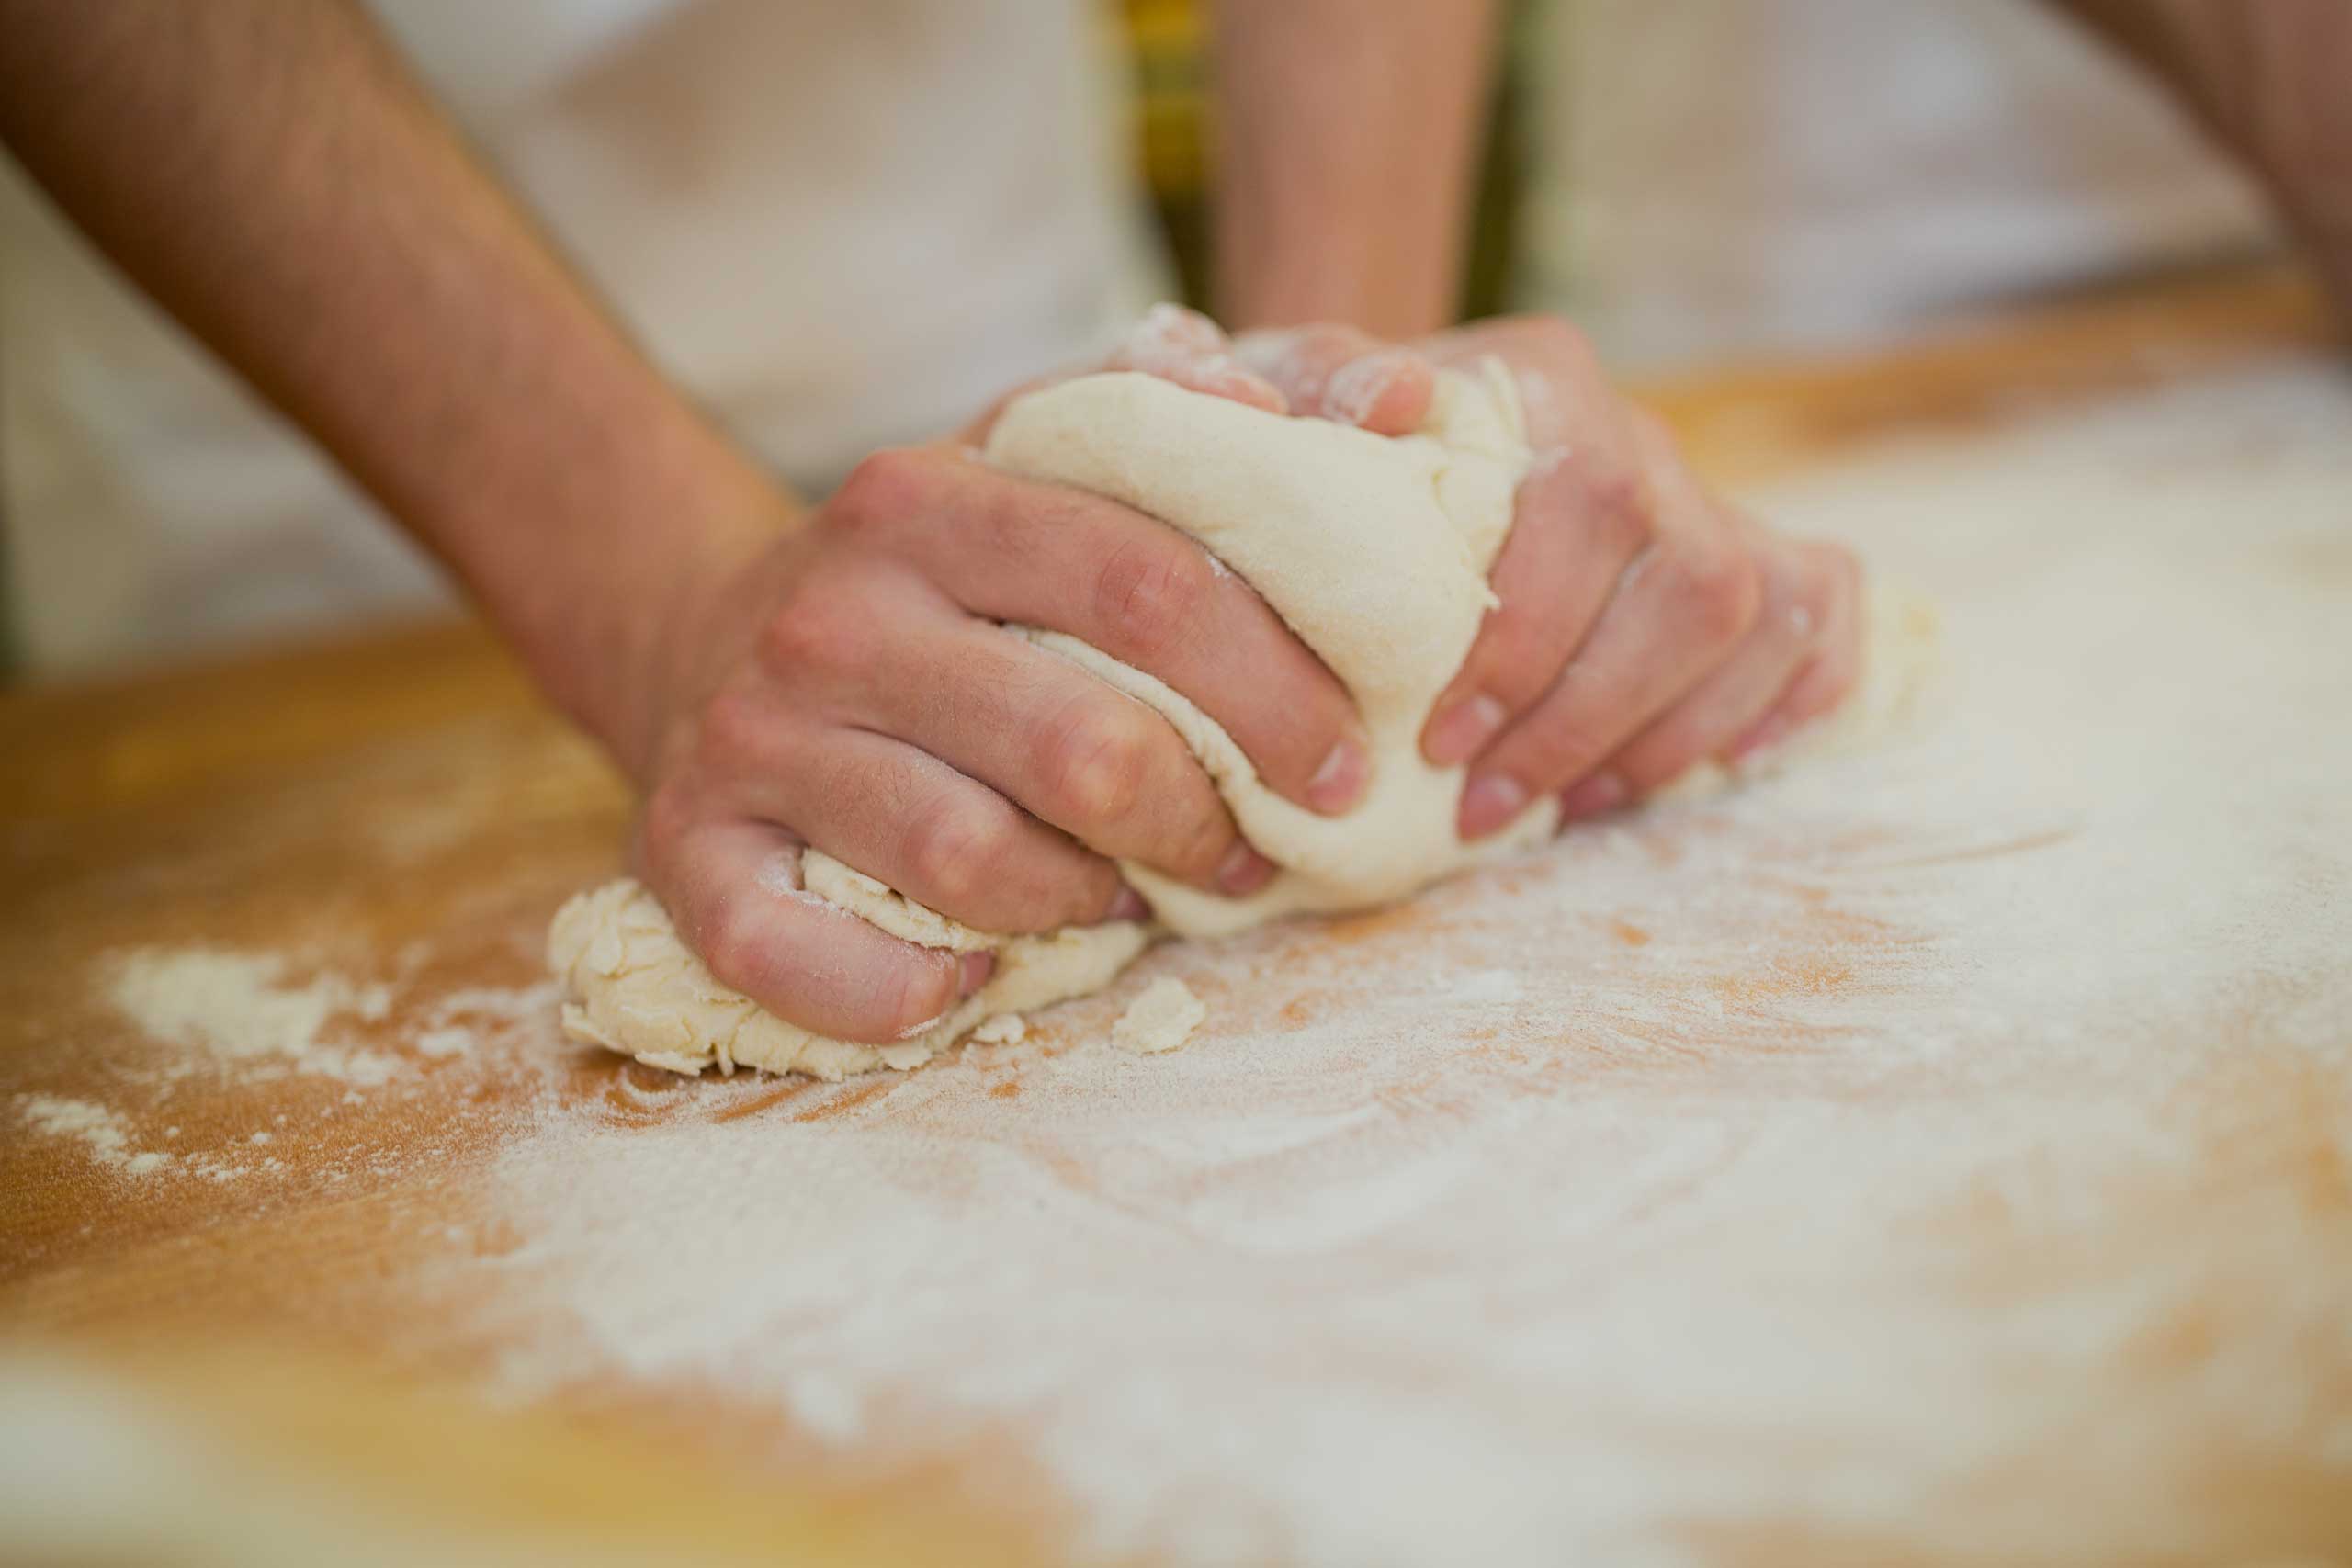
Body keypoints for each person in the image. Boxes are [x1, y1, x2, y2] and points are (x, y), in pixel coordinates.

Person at [0, 2, 2338, 1047]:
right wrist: (658, 587)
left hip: (969, 280)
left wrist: (1345, 453)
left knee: (1108, 678)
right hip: (298, 447)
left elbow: (1283, 492)